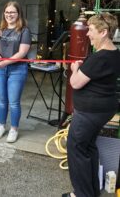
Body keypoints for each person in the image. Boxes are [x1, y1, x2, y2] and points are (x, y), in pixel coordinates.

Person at [64, 12, 120, 197]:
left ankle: (81, 194)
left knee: (76, 149)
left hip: (90, 113)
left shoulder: (99, 58)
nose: (87, 34)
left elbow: (75, 83)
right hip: (101, 110)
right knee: (88, 148)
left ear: (103, 32)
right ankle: (90, 192)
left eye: (91, 30)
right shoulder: (114, 54)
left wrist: (75, 69)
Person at [0, 1, 31, 143]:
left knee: (13, 102)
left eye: (12, 12)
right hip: (0, 69)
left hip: (17, 69)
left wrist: (4, 62)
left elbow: (22, 53)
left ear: (18, 14)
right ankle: (1, 126)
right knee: (2, 101)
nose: (9, 15)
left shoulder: (24, 31)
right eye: (7, 12)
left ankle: (14, 129)